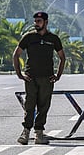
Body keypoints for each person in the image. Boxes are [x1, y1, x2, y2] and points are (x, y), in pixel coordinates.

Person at [13, 11, 66, 145]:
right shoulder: (29, 37)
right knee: (29, 105)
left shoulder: (53, 39)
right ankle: (25, 132)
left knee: (43, 106)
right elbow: (16, 54)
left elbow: (62, 57)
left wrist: (58, 75)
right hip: (31, 77)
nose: (36, 24)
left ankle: (39, 134)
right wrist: (19, 74)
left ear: (46, 22)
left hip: (47, 78)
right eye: (35, 21)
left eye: (39, 21)